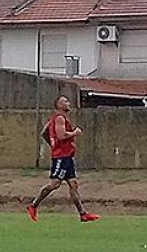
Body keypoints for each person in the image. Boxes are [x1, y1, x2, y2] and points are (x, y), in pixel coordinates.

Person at [26, 95, 99, 223]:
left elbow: (44, 132)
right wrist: (75, 133)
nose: (68, 103)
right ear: (59, 105)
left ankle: (83, 214)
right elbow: (61, 135)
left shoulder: (56, 118)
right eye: (65, 101)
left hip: (67, 156)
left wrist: (53, 145)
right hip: (62, 157)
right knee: (55, 184)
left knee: (73, 185)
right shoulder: (60, 118)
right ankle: (33, 205)